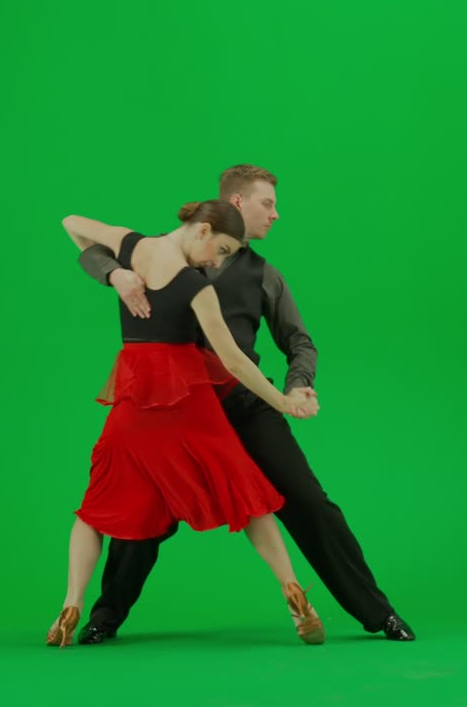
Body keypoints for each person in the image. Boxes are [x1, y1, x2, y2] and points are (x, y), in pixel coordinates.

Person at [76, 165, 415, 643]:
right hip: (178, 411)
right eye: (267, 204)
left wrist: (298, 386)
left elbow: (300, 342)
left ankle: (379, 614)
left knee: (309, 504)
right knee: (142, 515)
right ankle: (103, 619)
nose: (276, 214)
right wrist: (115, 275)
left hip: (243, 405)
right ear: (235, 205)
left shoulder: (264, 276)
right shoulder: (161, 252)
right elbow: (89, 248)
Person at [47, 199, 325, 648]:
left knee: (96, 507)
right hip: (189, 400)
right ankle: (294, 593)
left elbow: (72, 223)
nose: (218, 261)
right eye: (220, 249)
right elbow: (234, 361)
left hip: (135, 400)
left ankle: (70, 603)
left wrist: (115, 274)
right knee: (246, 494)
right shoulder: (196, 286)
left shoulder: (132, 245)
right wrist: (281, 401)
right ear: (202, 230)